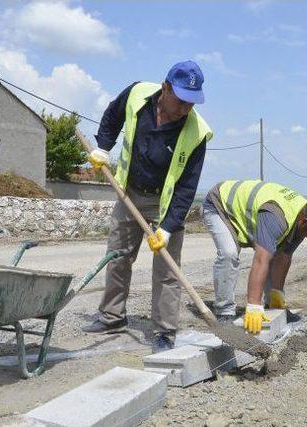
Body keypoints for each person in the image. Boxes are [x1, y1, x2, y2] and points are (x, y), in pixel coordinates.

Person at [81, 61, 213, 353]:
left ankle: (165, 331)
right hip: (128, 192)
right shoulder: (137, 94)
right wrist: (103, 146)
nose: (185, 109)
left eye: (192, 103)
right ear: (165, 88)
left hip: (165, 205)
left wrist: (167, 228)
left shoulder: (197, 133)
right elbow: (112, 116)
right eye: (181, 101)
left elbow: (187, 187)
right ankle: (112, 316)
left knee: (167, 271)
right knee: (118, 257)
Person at [201, 180, 307, 333]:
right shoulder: (276, 216)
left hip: (245, 213)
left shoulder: (301, 217)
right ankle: (225, 313)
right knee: (229, 253)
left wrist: (276, 295)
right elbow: (261, 260)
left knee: (274, 253)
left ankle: (269, 304)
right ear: (304, 223)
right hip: (219, 206)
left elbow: (283, 257)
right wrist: (253, 305)